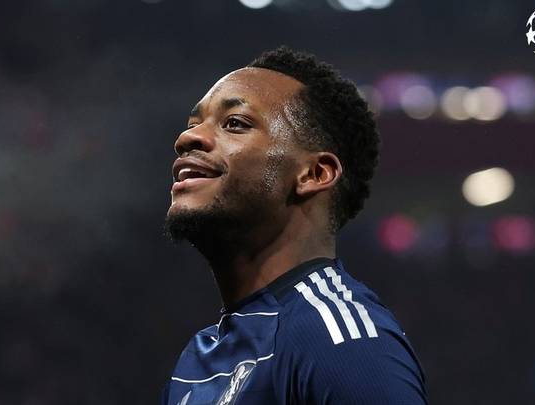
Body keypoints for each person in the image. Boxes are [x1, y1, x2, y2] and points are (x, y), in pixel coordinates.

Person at [162, 46, 427, 405]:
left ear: (314, 174)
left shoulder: (342, 341)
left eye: (235, 123)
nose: (186, 139)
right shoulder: (197, 359)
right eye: (193, 125)